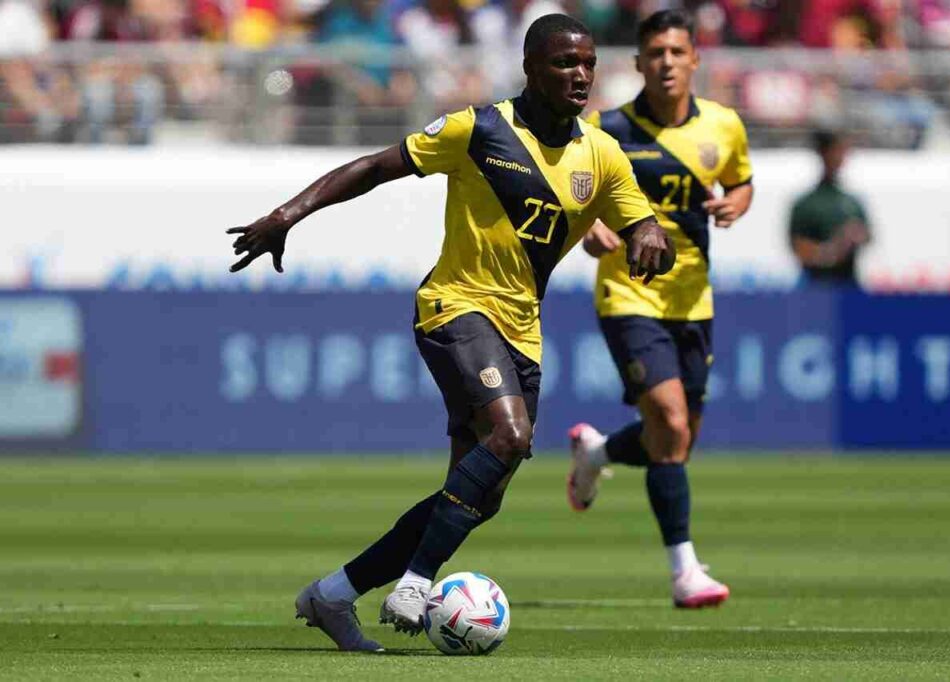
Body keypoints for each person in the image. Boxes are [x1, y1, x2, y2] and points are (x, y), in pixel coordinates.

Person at [226, 13, 673, 652]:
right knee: (511, 436)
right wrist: (288, 214)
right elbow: (377, 167)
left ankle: (332, 594)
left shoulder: (599, 154)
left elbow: (639, 221)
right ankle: (416, 582)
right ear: (530, 67)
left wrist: (648, 234)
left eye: (588, 64)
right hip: (454, 307)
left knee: (478, 495)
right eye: (564, 63)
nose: (579, 75)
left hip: (522, 331)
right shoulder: (479, 128)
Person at [565, 9, 753, 610]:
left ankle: (597, 452)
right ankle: (685, 572)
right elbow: (570, 193)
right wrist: (590, 225)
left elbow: (741, 180)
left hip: (693, 298)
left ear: (694, 59)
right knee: (669, 426)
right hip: (629, 295)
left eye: (677, 52)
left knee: (675, 440)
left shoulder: (723, 126)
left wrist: (736, 205)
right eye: (656, 54)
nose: (667, 63)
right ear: (639, 63)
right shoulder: (607, 128)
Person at [788, 129, 871, 286]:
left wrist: (856, 236)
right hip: (816, 287)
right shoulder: (806, 204)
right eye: (836, 151)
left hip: (848, 286)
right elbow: (799, 247)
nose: (840, 157)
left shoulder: (852, 202)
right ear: (824, 154)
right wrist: (832, 251)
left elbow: (867, 235)